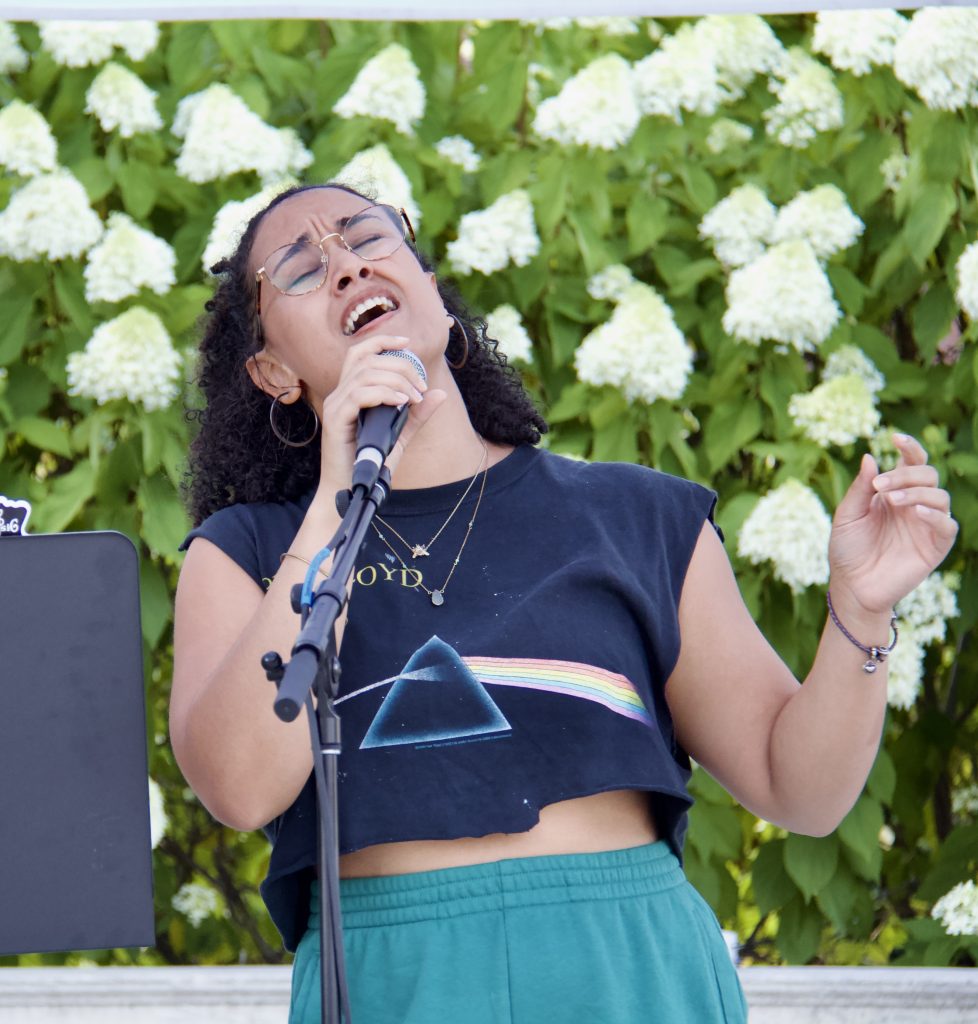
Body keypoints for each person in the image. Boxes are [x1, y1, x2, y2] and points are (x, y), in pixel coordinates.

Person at [170, 182, 957, 1023]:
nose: (344, 263)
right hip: (394, 979)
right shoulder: (244, 552)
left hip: (630, 969)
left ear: (429, 285)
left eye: (367, 233)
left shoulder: (637, 516)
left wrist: (861, 613)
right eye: (298, 265)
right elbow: (242, 788)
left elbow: (800, 789)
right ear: (273, 371)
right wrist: (337, 491)